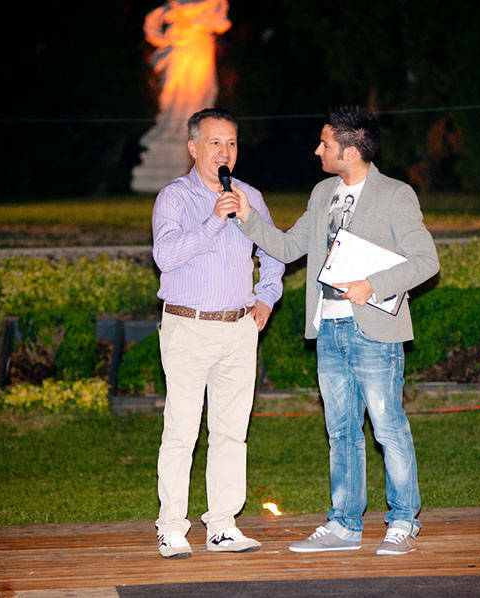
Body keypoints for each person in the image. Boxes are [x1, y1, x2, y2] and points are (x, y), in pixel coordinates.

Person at [229, 105, 439, 556]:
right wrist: (248, 217)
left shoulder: (395, 194)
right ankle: (344, 525)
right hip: (329, 328)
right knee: (341, 431)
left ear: (350, 150)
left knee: (387, 428)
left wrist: (373, 284)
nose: (317, 150)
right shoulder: (323, 192)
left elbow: (426, 261)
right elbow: (288, 246)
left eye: (325, 144)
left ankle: (403, 521)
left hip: (375, 330)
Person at [151, 107, 284, 558]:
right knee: (182, 431)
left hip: (238, 328)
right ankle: (171, 526)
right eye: (214, 143)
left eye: (230, 143)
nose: (224, 152)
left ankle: (222, 525)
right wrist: (214, 220)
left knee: (231, 431)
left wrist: (266, 296)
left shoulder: (250, 196)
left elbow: (274, 252)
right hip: (188, 326)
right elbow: (166, 256)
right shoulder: (174, 197)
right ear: (193, 148)